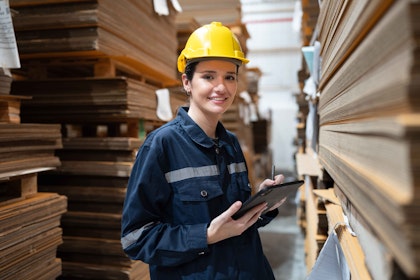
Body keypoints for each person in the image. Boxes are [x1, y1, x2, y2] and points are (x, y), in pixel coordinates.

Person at [121, 21, 285, 280]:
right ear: (187, 82)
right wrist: (206, 235)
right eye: (209, 76)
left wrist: (263, 205)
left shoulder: (230, 142)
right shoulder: (162, 146)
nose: (221, 87)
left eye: (229, 77)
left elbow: (236, 223)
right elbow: (135, 238)